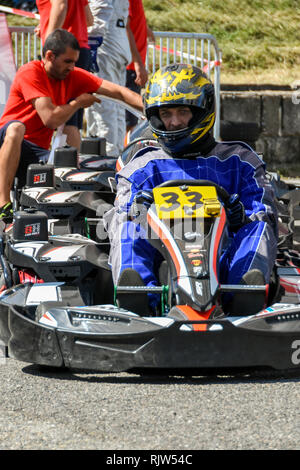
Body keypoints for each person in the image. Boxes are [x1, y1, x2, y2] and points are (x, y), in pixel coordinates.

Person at [105, 63, 278, 317]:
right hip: (162, 256)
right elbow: (124, 208)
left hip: (225, 254)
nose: (174, 123)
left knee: (259, 226)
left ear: (202, 111)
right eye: (166, 114)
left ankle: (243, 295)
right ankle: (138, 298)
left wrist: (239, 216)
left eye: (183, 112)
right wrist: (140, 213)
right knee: (125, 222)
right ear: (154, 116)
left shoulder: (240, 160)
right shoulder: (142, 166)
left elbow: (262, 209)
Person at [0, 29, 143, 222]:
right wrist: (77, 103)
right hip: (9, 143)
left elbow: (119, 92)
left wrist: (154, 108)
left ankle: (66, 212)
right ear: (50, 56)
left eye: (75, 62)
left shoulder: (73, 75)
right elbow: (50, 119)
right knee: (16, 128)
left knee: (71, 138)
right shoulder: (31, 71)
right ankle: (2, 203)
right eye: (68, 61)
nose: (72, 67)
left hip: (39, 151)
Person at [85, 0, 148, 157]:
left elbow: (102, 8)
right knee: (116, 104)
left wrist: (92, 39)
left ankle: (107, 155)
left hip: (105, 40)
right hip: (117, 38)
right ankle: (118, 152)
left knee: (102, 102)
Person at [35, 0, 94, 150]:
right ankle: (72, 166)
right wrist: (46, 26)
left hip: (63, 53)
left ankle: (68, 168)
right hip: (80, 49)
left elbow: (61, 5)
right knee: (72, 119)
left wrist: (49, 41)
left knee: (66, 120)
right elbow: (88, 19)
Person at [125, 0, 154, 133]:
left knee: (132, 120)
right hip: (130, 66)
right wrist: (137, 63)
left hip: (132, 66)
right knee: (130, 122)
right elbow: (125, 26)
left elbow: (132, 21)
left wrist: (145, 29)